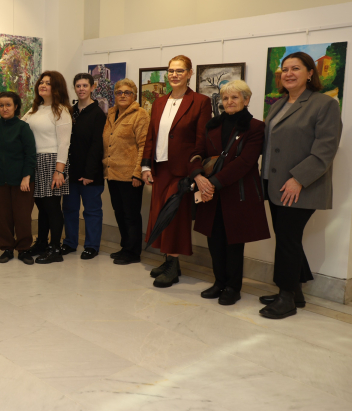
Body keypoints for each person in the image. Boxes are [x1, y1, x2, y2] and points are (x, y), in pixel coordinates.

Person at [259, 52, 341, 319]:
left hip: (300, 186)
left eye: (295, 68)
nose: (289, 74)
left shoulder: (324, 104)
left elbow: (326, 149)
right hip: (274, 184)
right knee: (287, 238)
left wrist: (298, 179)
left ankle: (286, 299)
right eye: (285, 69)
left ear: (310, 73)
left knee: (287, 239)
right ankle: (295, 291)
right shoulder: (278, 104)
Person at [192, 81, 270, 305]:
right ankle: (219, 282)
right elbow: (197, 153)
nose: (229, 102)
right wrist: (198, 175)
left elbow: (245, 162)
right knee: (214, 239)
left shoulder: (255, 127)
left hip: (238, 192)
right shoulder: (212, 125)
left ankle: (233, 287)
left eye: (235, 97)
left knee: (234, 241)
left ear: (246, 100)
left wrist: (212, 183)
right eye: (225, 98)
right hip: (210, 192)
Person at [141, 55, 211, 288]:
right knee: (159, 215)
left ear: (190, 73)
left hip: (182, 171)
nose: (174, 75)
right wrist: (146, 165)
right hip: (160, 168)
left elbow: (201, 140)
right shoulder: (159, 102)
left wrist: (195, 171)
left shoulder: (200, 102)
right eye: (171, 71)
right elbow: (151, 136)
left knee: (175, 218)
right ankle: (170, 261)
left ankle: (173, 267)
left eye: (180, 71)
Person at [22, 71, 73, 264]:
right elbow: (18, 126)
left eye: (48, 83)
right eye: (41, 82)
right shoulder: (34, 109)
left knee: (52, 208)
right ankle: (42, 243)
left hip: (52, 161)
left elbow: (64, 144)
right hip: (35, 161)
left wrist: (59, 171)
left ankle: (55, 249)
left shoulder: (61, 111)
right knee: (41, 207)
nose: (42, 85)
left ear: (56, 87)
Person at [0, 91, 37, 265]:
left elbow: (30, 155)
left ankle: (24, 249)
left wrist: (26, 177)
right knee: (2, 217)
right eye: (1, 105)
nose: (4, 108)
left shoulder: (23, 128)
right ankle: (7, 248)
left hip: (22, 181)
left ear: (16, 106)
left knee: (22, 217)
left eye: (8, 105)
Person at [103, 78, 150, 265]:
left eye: (127, 92)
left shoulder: (140, 115)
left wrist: (138, 173)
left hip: (130, 176)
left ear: (134, 95)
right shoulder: (111, 113)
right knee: (119, 212)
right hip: (112, 173)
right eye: (119, 92)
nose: (122, 95)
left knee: (131, 215)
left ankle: (133, 252)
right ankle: (125, 247)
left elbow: (144, 146)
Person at [61, 73, 105, 259]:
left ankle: (92, 246)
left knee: (92, 211)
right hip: (70, 172)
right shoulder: (69, 112)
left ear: (92, 87)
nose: (81, 89)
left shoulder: (98, 114)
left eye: (85, 85)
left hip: (90, 174)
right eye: (78, 86)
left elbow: (97, 146)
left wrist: (89, 173)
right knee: (69, 209)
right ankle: (70, 242)